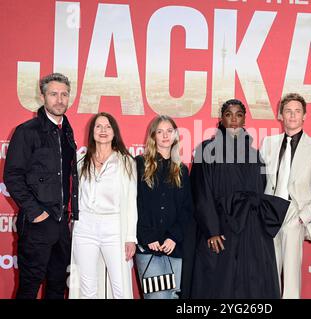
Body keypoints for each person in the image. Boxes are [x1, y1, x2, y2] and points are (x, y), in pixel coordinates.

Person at [189, 99, 289, 298]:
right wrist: (212, 231)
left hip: (251, 232)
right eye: (228, 114)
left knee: (252, 287)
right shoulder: (206, 150)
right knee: (220, 287)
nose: (234, 119)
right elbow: (201, 193)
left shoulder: (255, 154)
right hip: (221, 230)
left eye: (238, 115)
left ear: (244, 119)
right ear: (221, 119)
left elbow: (262, 189)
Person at [4, 73, 78, 299]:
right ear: (43, 96)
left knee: (57, 286)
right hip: (37, 224)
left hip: (62, 223)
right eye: (54, 94)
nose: (60, 99)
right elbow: (13, 176)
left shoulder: (67, 132)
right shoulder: (27, 131)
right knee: (29, 287)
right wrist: (36, 213)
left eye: (64, 94)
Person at [260, 92, 311, 299]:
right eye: (288, 111)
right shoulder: (268, 143)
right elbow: (261, 180)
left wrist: (303, 216)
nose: (292, 116)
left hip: (294, 214)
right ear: (280, 114)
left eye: (297, 111)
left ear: (304, 116)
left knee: (290, 280)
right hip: (269, 214)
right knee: (268, 275)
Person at [68, 112, 137, 299]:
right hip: (84, 227)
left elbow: (131, 201)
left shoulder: (126, 162)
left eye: (108, 126)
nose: (103, 130)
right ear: (92, 132)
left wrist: (130, 237)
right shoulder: (81, 161)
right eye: (98, 126)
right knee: (87, 288)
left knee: (120, 287)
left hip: (114, 227)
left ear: (115, 132)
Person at [134, 115, 193, 299]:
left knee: (172, 297)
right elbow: (134, 203)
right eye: (160, 131)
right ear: (153, 136)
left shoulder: (181, 169)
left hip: (173, 247)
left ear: (175, 135)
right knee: (157, 297)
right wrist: (147, 235)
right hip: (148, 246)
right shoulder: (140, 164)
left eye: (169, 131)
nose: (165, 135)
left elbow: (186, 208)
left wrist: (174, 237)